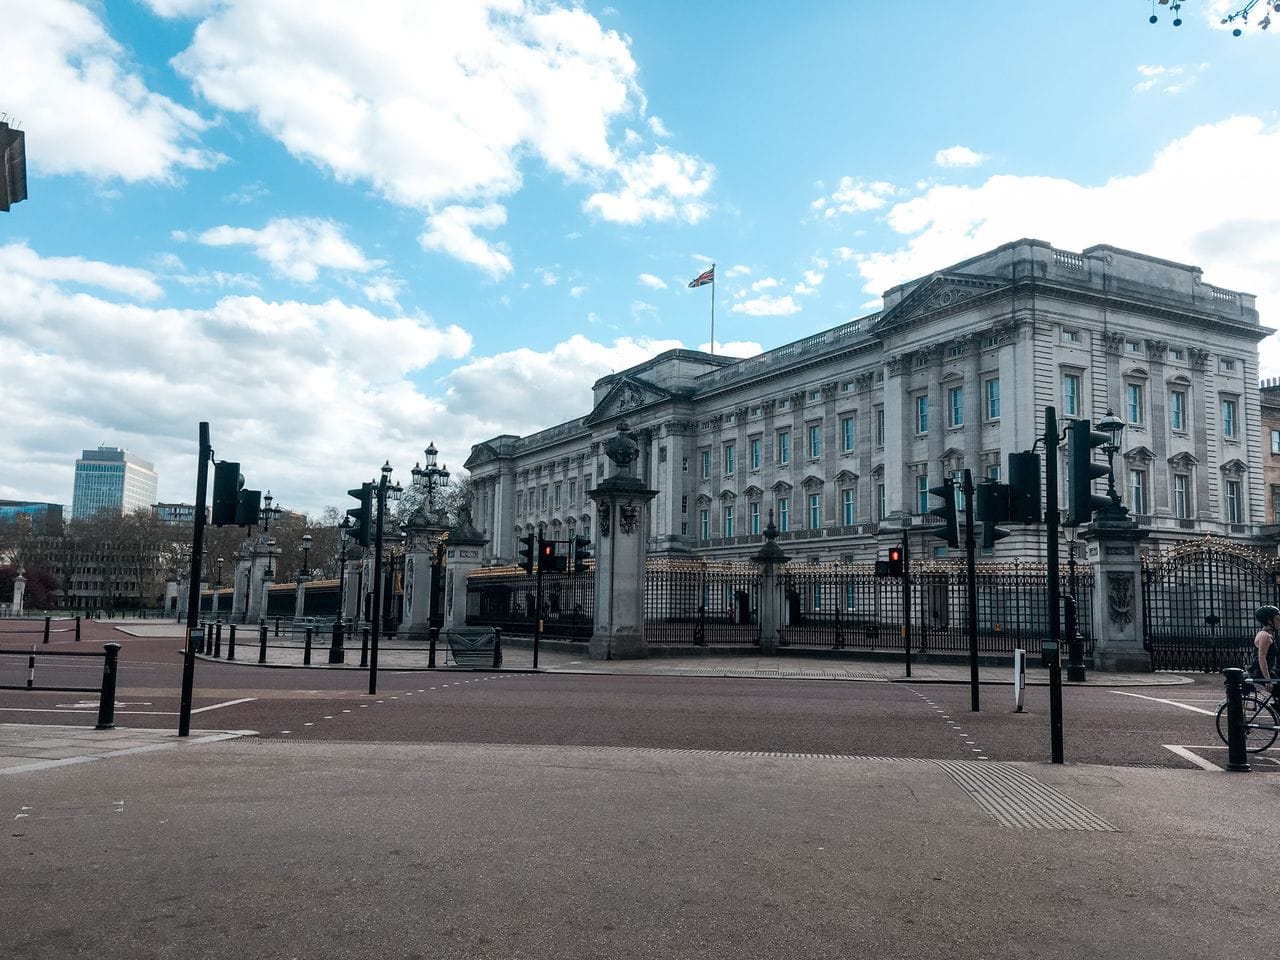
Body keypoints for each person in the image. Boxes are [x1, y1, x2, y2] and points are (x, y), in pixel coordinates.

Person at [1249, 605, 1280, 695]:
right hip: (1261, 672)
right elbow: (1261, 658)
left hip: (1269, 671)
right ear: (1269, 621)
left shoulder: (1267, 635)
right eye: (1277, 619)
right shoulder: (1264, 636)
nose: (1279, 622)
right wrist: (1267, 680)